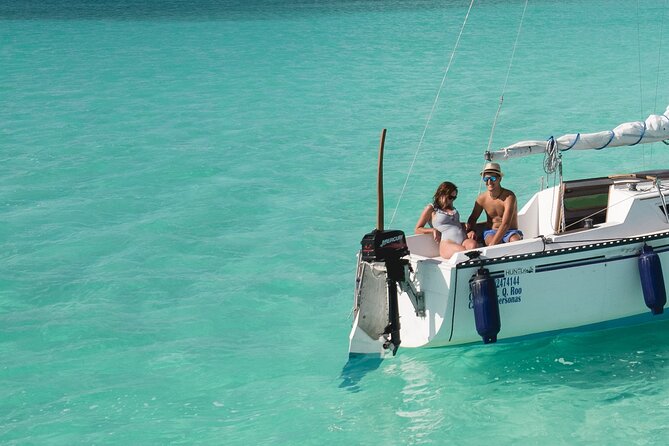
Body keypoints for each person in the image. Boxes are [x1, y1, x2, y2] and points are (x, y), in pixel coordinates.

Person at [415, 181, 478, 259]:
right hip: (448, 244)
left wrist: (464, 225)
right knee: (464, 253)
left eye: (454, 198)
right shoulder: (431, 209)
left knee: (473, 246)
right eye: (450, 197)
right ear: (441, 194)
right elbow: (417, 229)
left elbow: (451, 224)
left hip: (463, 240)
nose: (452, 200)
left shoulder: (451, 207)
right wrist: (433, 230)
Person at [465, 162, 523, 245]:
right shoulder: (482, 198)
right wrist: (471, 231)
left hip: (509, 231)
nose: (489, 182)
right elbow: (473, 218)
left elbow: (506, 224)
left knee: (516, 241)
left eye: (493, 178)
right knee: (491, 240)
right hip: (491, 232)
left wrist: (493, 244)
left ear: (500, 179)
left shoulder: (509, 197)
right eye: (486, 179)